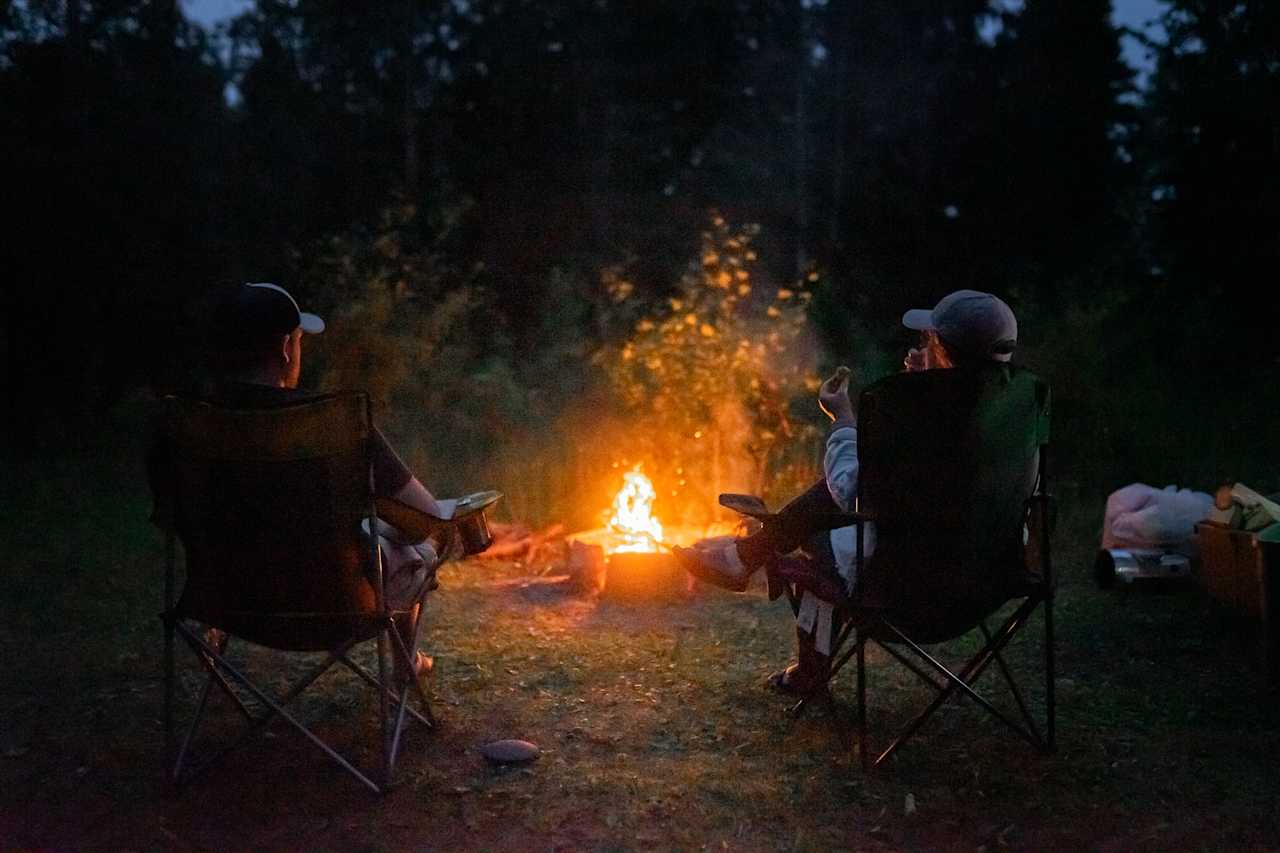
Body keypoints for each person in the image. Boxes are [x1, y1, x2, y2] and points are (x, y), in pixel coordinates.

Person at [674, 289, 1020, 693]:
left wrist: (842, 420)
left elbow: (851, 494)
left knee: (816, 535)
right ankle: (747, 555)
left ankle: (769, 594)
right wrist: (930, 384)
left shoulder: (917, 416)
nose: (918, 348)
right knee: (827, 516)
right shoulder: (1014, 411)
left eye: (929, 342)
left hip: (904, 594)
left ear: (944, 353)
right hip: (987, 583)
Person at [149, 282, 453, 683]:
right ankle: (405, 665)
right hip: (341, 608)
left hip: (224, 605)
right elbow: (427, 513)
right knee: (415, 541)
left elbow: (170, 517)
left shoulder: (184, 427)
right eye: (297, 341)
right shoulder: (331, 425)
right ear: (284, 349)